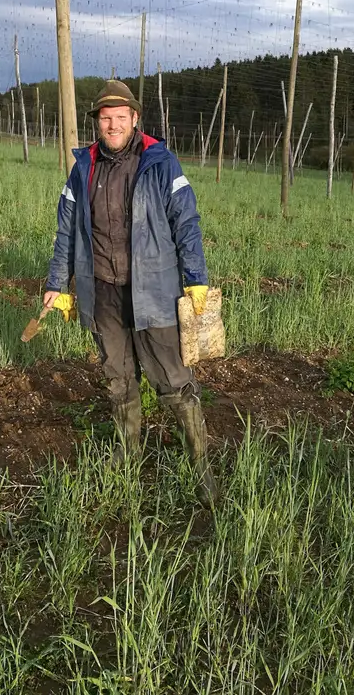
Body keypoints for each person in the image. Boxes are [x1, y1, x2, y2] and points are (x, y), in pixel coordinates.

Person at [43, 79, 218, 505]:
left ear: (135, 118)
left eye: (121, 117)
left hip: (154, 292)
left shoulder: (160, 162)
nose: (113, 125)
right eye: (106, 118)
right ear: (97, 122)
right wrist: (57, 283)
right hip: (102, 292)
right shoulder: (82, 168)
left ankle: (201, 468)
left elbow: (186, 221)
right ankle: (127, 460)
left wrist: (195, 276)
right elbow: (66, 230)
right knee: (119, 380)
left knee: (173, 381)